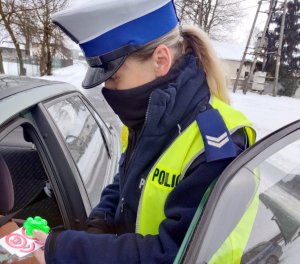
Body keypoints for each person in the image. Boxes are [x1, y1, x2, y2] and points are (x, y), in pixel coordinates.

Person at [34, 0, 256, 263]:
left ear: (160, 60)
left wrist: (65, 248)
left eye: (114, 77)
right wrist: (99, 224)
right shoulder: (151, 116)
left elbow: (174, 252)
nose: (109, 89)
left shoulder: (218, 143)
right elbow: (124, 184)